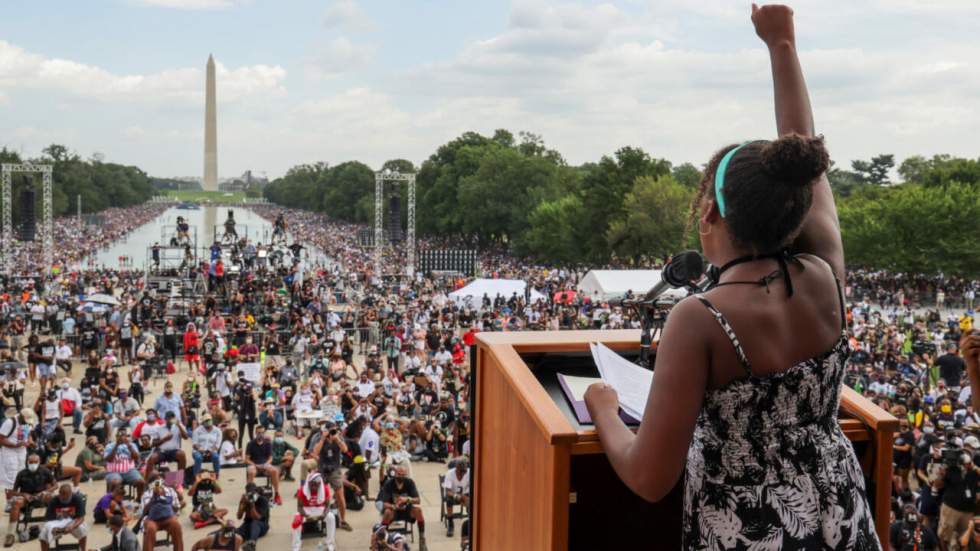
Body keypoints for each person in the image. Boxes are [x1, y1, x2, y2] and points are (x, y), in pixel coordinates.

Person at [583, 5, 879, 548]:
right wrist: (782, 45)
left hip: (750, 530)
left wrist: (602, 409)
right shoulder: (825, 273)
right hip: (840, 512)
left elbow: (650, 479)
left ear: (711, 215)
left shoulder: (700, 319)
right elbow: (804, 147)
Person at [4, 453, 56, 547]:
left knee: (51, 498)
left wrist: (45, 492)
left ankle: (52, 527)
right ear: (27, 462)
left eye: (35, 462)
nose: (33, 464)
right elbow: (14, 492)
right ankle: (10, 534)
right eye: (30, 462)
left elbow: (56, 485)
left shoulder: (45, 471)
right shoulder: (21, 474)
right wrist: (23, 494)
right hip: (26, 498)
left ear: (39, 462)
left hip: (41, 496)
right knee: (16, 504)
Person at [378, 465, 427, 551]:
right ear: (395, 474)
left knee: (418, 510)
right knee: (387, 512)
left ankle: (422, 539)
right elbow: (384, 503)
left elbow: (418, 500)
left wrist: (407, 499)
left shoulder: (409, 482)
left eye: (403, 474)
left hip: (407, 510)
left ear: (406, 475)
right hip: (394, 511)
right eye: (399, 474)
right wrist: (394, 506)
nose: (401, 476)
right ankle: (382, 539)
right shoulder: (389, 483)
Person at [290, 472, 335, 551]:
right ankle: (296, 546)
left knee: (331, 517)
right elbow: (299, 507)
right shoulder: (302, 490)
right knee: (296, 519)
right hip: (306, 509)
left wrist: (324, 514)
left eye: (316, 485)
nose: (314, 487)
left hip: (320, 508)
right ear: (308, 483)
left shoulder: (325, 488)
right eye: (312, 485)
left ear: (319, 483)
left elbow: (327, 505)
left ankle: (330, 544)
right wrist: (305, 515)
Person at [139, 476, 184, 551]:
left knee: (176, 525)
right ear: (151, 484)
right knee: (150, 528)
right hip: (152, 519)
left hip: (168, 517)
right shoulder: (146, 494)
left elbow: (177, 508)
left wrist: (166, 501)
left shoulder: (170, 490)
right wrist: (154, 497)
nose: (157, 483)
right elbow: (144, 512)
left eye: (159, 480)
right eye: (155, 482)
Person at [38, 483, 87, 551]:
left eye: (67, 497)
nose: (64, 499)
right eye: (62, 497)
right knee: (43, 534)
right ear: (59, 494)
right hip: (57, 522)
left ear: (71, 494)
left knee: (82, 530)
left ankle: (83, 549)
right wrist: (55, 528)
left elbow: (81, 518)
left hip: (72, 521)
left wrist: (72, 527)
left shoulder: (77, 499)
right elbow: (48, 519)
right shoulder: (54, 500)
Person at [244, 426, 281, 505]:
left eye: (262, 433)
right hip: (254, 464)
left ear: (264, 433)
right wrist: (256, 465)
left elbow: (271, 458)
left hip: (265, 463)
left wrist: (266, 464)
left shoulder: (268, 443)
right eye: (258, 433)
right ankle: (250, 494)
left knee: (274, 471)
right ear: (255, 433)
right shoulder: (250, 444)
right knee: (251, 472)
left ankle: (277, 494)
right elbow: (246, 459)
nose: (260, 434)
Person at [236, 482, 269, 551]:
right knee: (235, 532)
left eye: (252, 492)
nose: (251, 494)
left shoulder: (263, 500)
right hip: (247, 524)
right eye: (249, 492)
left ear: (256, 491)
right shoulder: (246, 500)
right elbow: (239, 516)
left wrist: (251, 505)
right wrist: (241, 504)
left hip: (261, 525)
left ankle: (251, 544)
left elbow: (257, 518)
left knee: (254, 523)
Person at [442, 458, 470, 537]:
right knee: (448, 499)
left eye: (464, 471)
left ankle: (470, 521)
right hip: (453, 495)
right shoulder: (450, 473)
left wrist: (466, 497)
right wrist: (456, 496)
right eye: (461, 471)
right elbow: (448, 490)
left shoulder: (468, 472)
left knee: (472, 501)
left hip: (465, 494)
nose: (462, 473)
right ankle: (450, 523)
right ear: (456, 468)